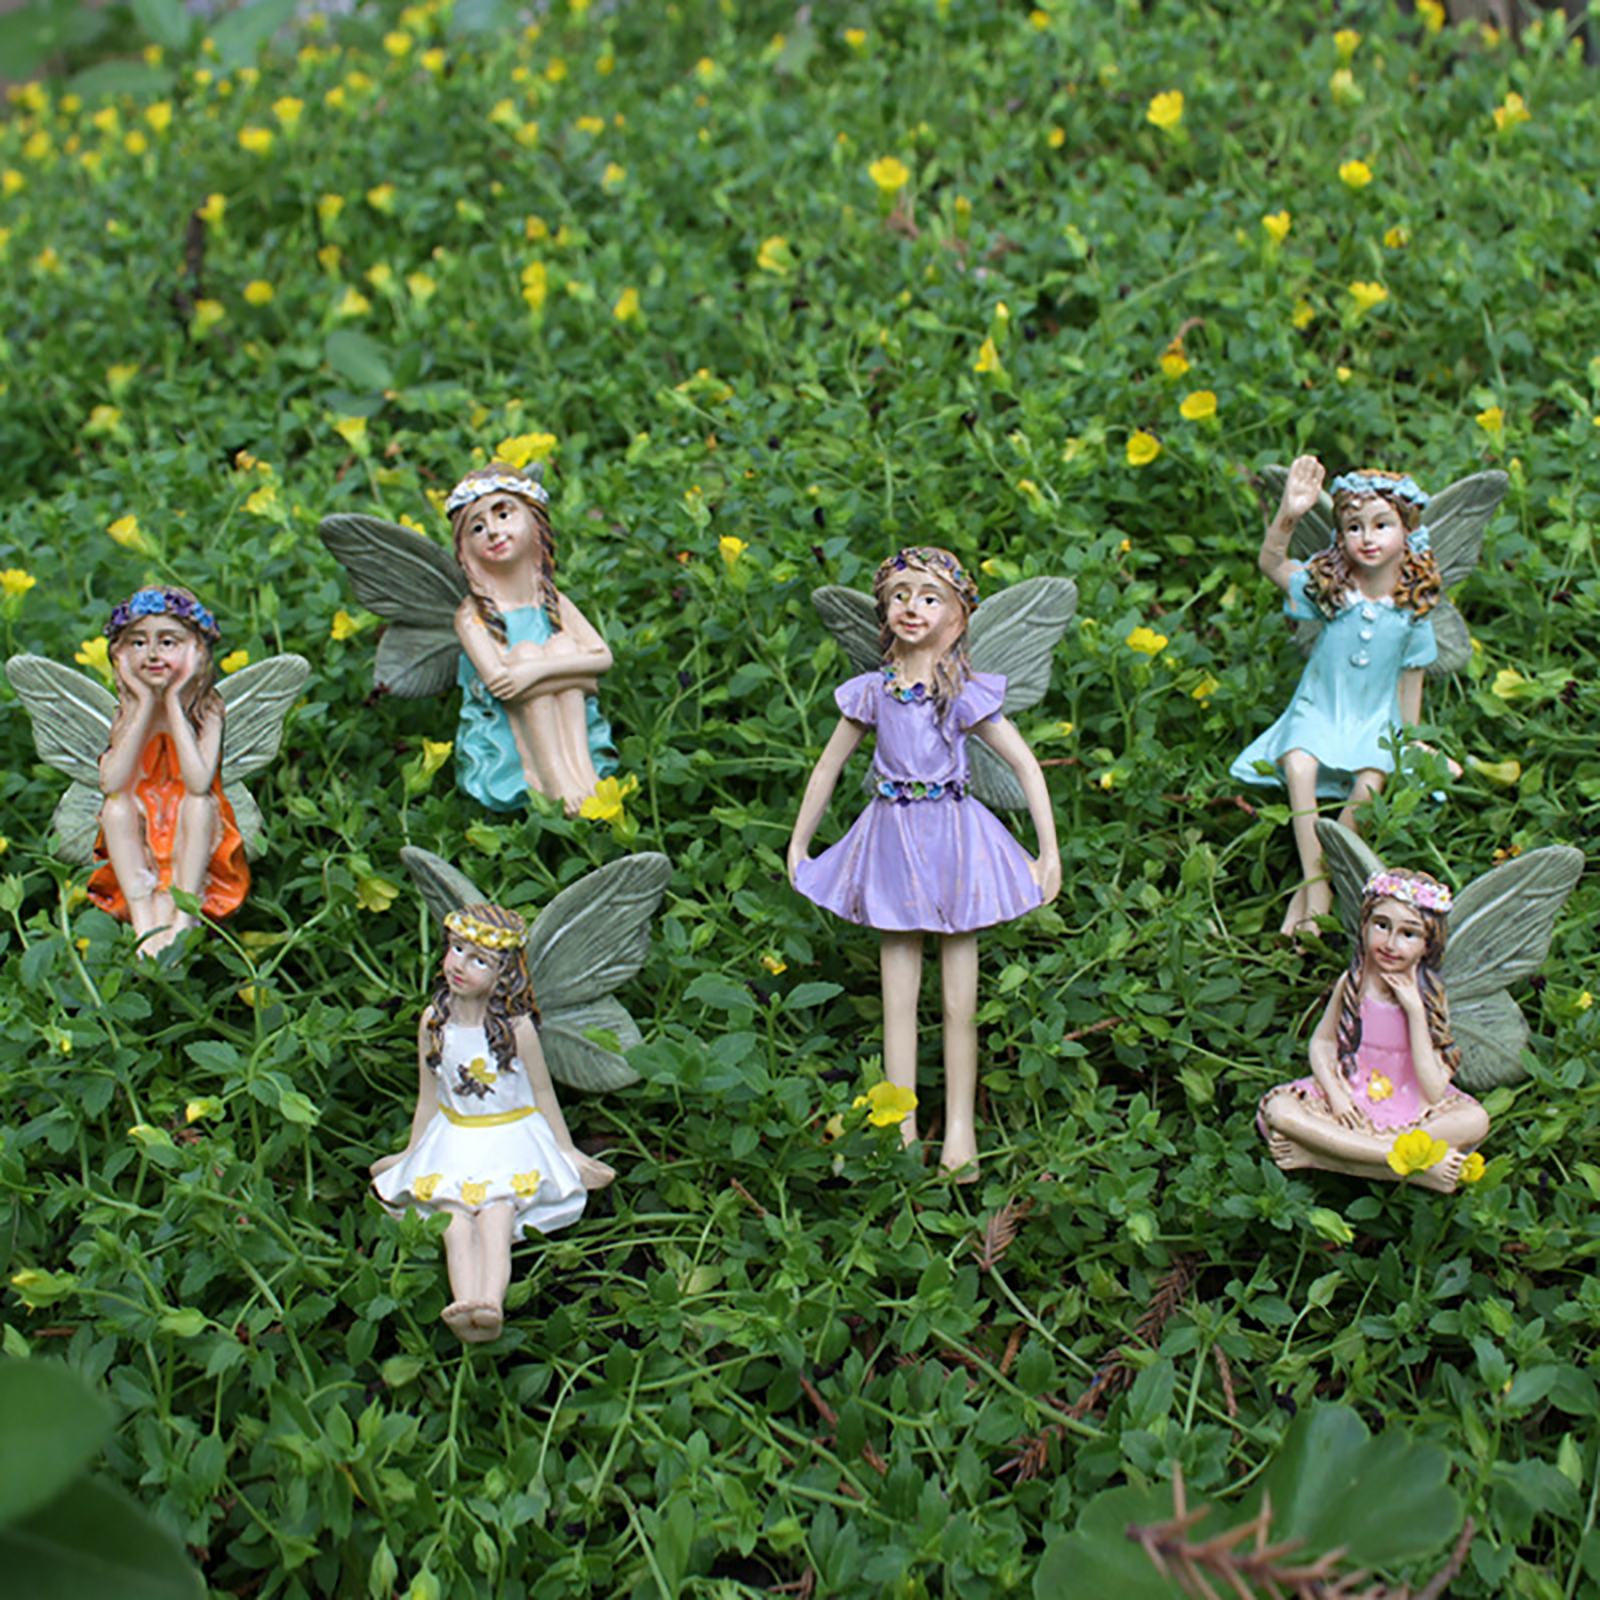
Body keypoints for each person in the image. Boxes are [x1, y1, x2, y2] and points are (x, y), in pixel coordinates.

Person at [788, 547, 1061, 1178]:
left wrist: (1048, 853)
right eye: (900, 595)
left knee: (960, 1004)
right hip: (891, 841)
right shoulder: (873, 692)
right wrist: (801, 844)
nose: (913, 608)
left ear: (958, 617)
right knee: (897, 1002)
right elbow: (827, 768)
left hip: (956, 843)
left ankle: (960, 1129)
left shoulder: (961, 694)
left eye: (930, 597)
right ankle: (902, 1127)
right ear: (884, 610)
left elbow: (1026, 765)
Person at [371, 903, 615, 1343]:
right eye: (456, 950)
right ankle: (464, 1302)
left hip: (509, 1137)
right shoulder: (434, 1022)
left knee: (496, 1219)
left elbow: (543, 1094)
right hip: (455, 1137)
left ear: (504, 974)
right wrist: (411, 1152)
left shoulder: (516, 1030)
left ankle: (490, 1303)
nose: (459, 965)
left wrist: (567, 1151)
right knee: (453, 1221)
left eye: (479, 960)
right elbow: (429, 1097)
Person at [1231, 457, 1455, 937]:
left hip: (1374, 721)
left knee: (1371, 780)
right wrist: (1289, 513)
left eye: (1381, 525)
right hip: (1317, 710)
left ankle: (1316, 891)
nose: (1367, 538)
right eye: (1354, 527)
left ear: (1408, 531)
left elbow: (1410, 682)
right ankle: (1319, 894)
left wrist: (1410, 740)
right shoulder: (1331, 591)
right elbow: (1271, 564)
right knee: (1299, 765)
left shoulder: (1411, 612)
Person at [1257, 867, 1488, 1193]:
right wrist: (1337, 1097)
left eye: (1409, 934)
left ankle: (1322, 1155)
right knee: (1280, 1112)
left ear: (1428, 944)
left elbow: (1434, 1090)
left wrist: (1415, 1011)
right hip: (1352, 1091)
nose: (1391, 944)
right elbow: (1323, 1044)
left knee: (1475, 1121)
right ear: (1364, 926)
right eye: (1381, 925)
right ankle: (1412, 1163)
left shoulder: (1430, 996)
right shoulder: (1353, 983)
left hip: (1410, 1101)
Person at [447, 463, 617, 814]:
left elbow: (603, 657)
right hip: (508, 724)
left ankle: (583, 771)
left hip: (550, 698)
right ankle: (554, 780)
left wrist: (536, 672)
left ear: (534, 522)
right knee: (525, 652)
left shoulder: (553, 600)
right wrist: (576, 675)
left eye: (503, 515)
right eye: (477, 527)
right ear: (465, 549)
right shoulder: (471, 615)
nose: (493, 531)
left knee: (560, 645)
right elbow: (504, 685)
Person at [89, 587, 248, 954]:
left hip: (193, 831)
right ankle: (142, 916)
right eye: (138, 642)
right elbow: (111, 781)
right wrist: (145, 702)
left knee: (199, 804)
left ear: (196, 651)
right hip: (142, 826)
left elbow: (198, 782)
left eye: (167, 642)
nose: (152, 654)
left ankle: (185, 912)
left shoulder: (207, 712)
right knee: (115, 808)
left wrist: (175, 701)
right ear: (121, 654)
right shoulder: (127, 713)